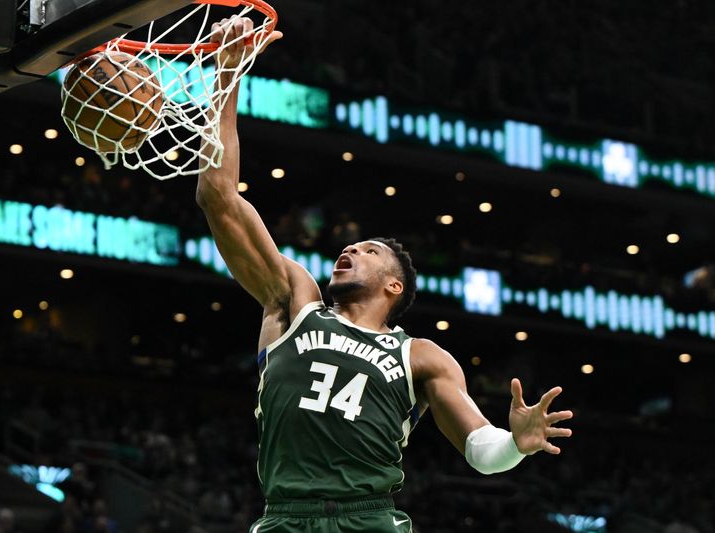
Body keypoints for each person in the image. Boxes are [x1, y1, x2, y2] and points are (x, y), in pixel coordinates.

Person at [195, 17, 573, 533]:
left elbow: (481, 450)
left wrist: (516, 445)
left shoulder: (420, 357)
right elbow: (218, 196)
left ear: (395, 286)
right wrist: (227, 74)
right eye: (352, 246)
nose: (349, 247)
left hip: (369, 519)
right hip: (284, 517)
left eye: (369, 251)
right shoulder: (293, 303)